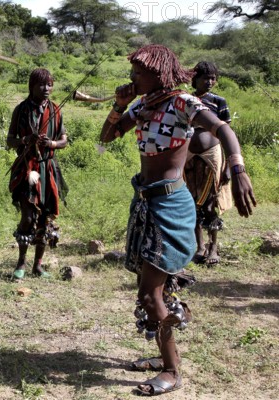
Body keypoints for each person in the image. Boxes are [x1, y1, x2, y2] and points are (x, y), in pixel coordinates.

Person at [99, 44, 256, 396]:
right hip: (145, 203)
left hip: (171, 205)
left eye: (138, 72)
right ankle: (163, 352)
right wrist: (120, 105)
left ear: (158, 73)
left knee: (149, 293)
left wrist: (238, 168)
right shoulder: (142, 106)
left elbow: (223, 130)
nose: (133, 77)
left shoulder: (182, 103)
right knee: (154, 287)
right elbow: (107, 136)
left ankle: (172, 369)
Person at [7, 68, 68, 279]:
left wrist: (50, 143)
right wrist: (25, 141)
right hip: (27, 168)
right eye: (42, 85)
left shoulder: (56, 110)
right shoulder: (21, 110)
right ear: (31, 86)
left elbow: (64, 140)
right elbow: (10, 140)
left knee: (45, 218)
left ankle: (38, 265)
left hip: (48, 168)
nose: (46, 89)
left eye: (50, 84)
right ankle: (21, 262)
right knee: (28, 215)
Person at [184, 61, 233, 265]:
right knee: (191, 200)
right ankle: (200, 246)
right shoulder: (185, 100)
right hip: (187, 155)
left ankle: (213, 247)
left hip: (212, 156)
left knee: (211, 201)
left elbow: (228, 133)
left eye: (213, 78)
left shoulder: (218, 102)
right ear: (195, 79)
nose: (210, 81)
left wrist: (229, 164)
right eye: (205, 78)